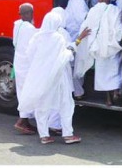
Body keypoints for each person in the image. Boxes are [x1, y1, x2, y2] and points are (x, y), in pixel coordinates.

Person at [18, 12, 81, 145]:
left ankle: (44, 136)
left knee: (42, 105)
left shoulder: (36, 37)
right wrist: (73, 47)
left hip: (40, 75)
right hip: (58, 76)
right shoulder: (58, 37)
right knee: (66, 104)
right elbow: (65, 56)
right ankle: (68, 135)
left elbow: (29, 55)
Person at [75, 0, 122, 105]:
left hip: (98, 47)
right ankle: (116, 91)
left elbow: (85, 27)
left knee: (102, 72)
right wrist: (115, 41)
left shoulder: (93, 10)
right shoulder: (115, 10)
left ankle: (108, 99)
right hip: (112, 46)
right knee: (114, 69)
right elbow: (119, 28)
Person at [12, 3, 39, 135]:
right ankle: (21, 121)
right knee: (27, 92)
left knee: (22, 91)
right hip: (26, 65)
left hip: (19, 63)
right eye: (31, 13)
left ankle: (26, 122)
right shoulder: (29, 28)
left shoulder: (17, 25)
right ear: (29, 14)